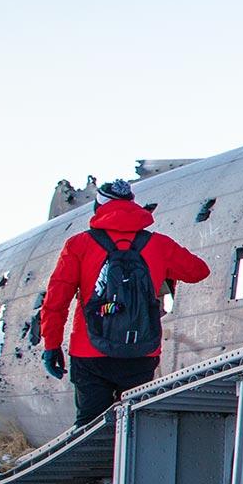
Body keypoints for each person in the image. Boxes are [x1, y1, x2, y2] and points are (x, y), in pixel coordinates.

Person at [39, 179, 212, 426]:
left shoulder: (79, 245)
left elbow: (56, 300)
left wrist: (51, 345)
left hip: (89, 353)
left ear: (98, 208)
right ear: (133, 206)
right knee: (135, 427)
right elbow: (198, 271)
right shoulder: (158, 244)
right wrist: (161, 269)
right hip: (140, 350)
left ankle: (96, 464)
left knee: (90, 427)